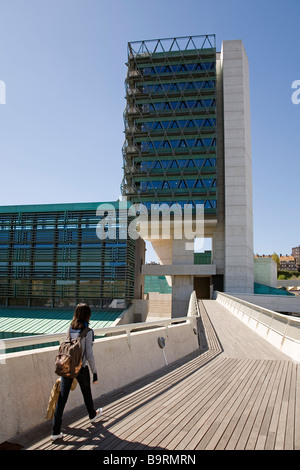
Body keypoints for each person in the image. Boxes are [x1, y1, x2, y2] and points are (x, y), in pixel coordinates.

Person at [51, 303, 102, 441]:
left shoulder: (70, 328)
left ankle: (55, 431)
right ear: (88, 315)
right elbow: (89, 354)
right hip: (81, 368)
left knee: (62, 398)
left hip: (67, 366)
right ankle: (92, 415)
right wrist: (95, 372)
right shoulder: (88, 331)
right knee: (86, 394)